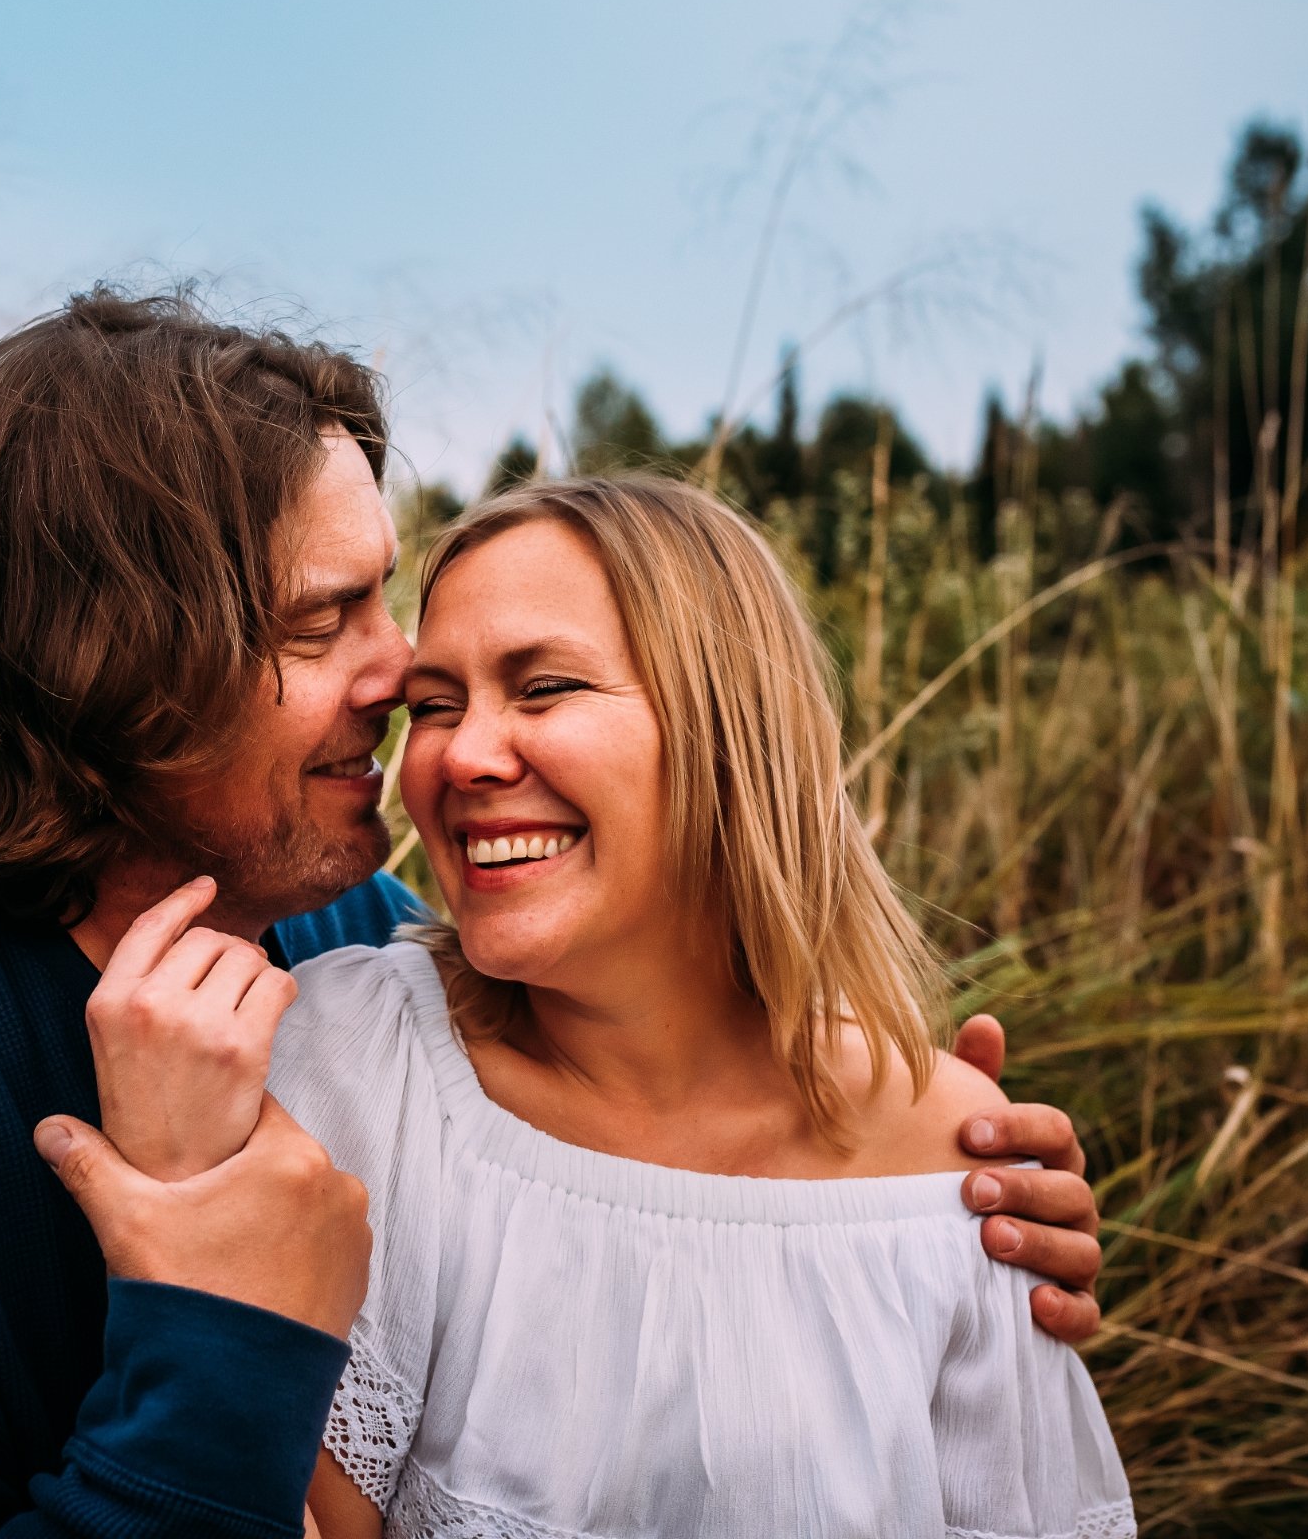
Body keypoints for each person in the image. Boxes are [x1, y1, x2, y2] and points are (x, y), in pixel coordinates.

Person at [0, 289, 1104, 1539]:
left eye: (391, 604)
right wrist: (219, 1334)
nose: (403, 680)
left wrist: (905, 1180)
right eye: (328, 624)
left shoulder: (353, 940)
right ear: (114, 662)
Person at [250, 478, 1132, 1537]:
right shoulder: (353, 1066)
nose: (464, 755)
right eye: (436, 704)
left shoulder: (957, 1169)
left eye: (544, 688)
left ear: (731, 729)